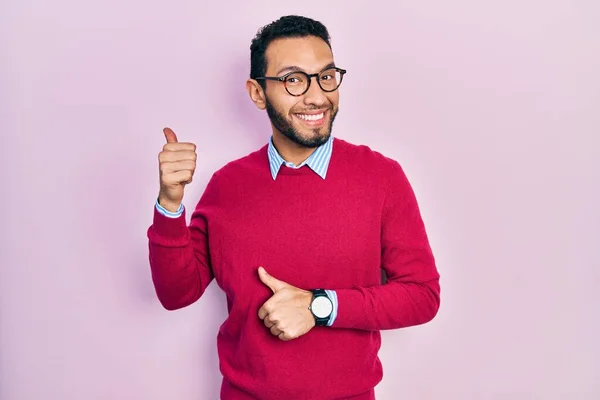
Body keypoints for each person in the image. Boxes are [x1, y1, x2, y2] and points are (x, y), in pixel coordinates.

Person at [147, 14, 441, 400]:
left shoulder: (381, 177)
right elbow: (176, 293)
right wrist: (170, 203)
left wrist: (320, 306)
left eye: (327, 76)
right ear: (257, 93)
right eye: (293, 80)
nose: (317, 96)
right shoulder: (227, 186)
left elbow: (422, 295)